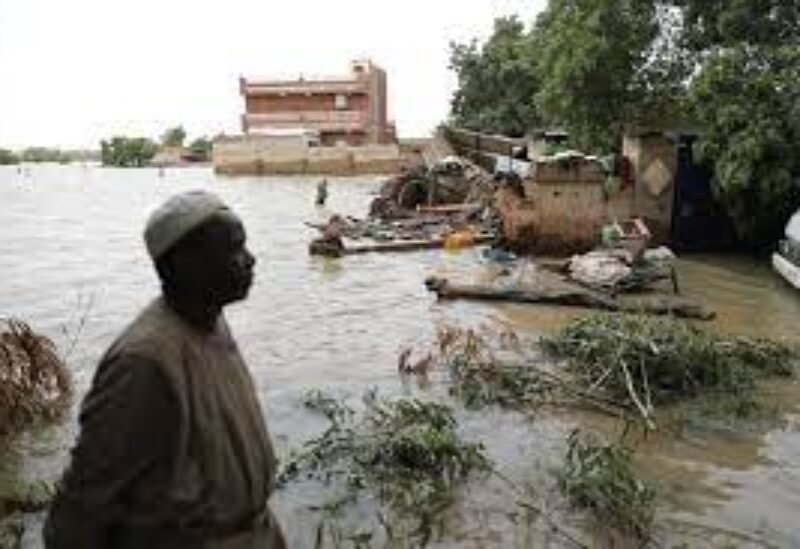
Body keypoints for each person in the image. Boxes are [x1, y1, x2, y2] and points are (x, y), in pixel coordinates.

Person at [44, 190, 285, 548]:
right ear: (183, 263)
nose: (250, 260)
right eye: (232, 249)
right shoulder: (144, 362)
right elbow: (89, 495)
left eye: (245, 246)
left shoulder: (210, 321)